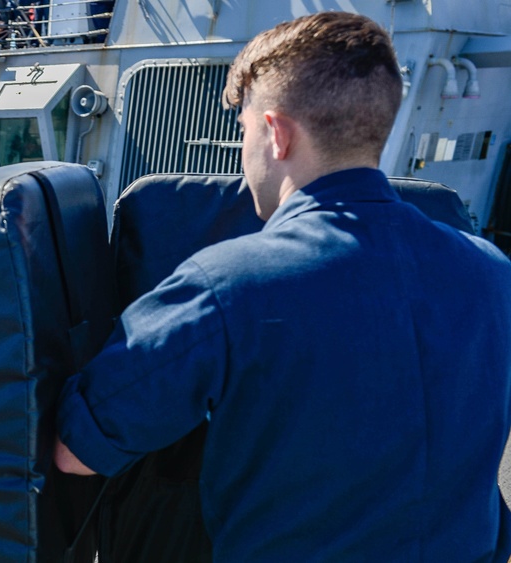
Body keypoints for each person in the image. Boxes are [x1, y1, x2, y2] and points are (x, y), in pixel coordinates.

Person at [55, 12, 511, 561]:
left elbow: (77, 450)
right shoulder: (493, 273)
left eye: (243, 130)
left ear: (276, 133)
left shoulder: (225, 285)